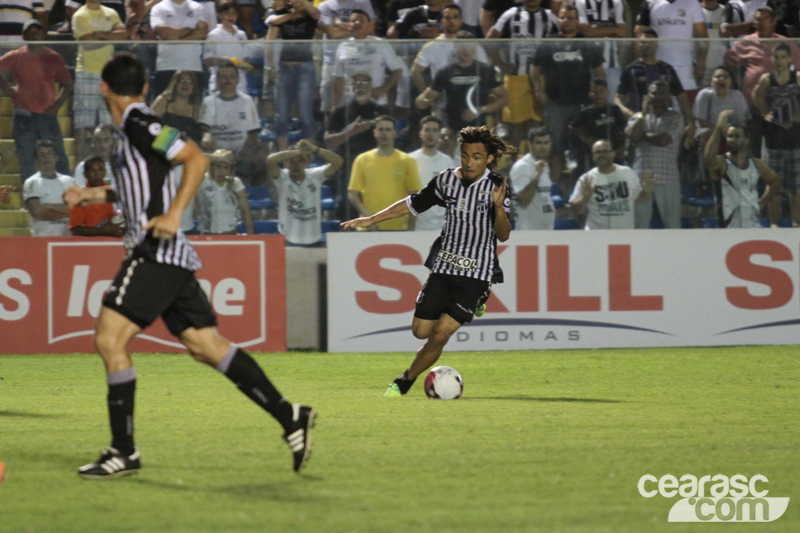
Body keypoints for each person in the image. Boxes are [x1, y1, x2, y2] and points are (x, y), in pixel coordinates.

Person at [63, 52, 315, 479]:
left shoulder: (142, 124)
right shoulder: (131, 131)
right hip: (169, 255)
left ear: (103, 88)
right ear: (144, 87)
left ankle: (123, 451)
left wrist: (175, 213)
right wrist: (92, 195)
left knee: (109, 340)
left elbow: (195, 158)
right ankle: (290, 415)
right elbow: (140, 189)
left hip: (155, 251)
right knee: (206, 346)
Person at [341, 126, 511, 396]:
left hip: (476, 272)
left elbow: (503, 235)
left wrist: (499, 207)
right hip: (444, 267)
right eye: (465, 155)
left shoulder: (496, 186)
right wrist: (372, 219)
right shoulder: (446, 180)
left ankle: (403, 382)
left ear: (489, 158)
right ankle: (474, 304)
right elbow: (412, 203)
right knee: (421, 332)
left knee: (440, 334)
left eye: (477, 157)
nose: (469, 162)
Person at [530, 5, 605, 187]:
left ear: (577, 20)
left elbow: (598, 71)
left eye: (570, 18)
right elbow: (534, 67)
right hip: (556, 102)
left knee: (584, 146)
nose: (566, 21)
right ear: (558, 20)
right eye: (563, 17)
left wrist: (598, 92)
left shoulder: (586, 42)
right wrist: (538, 89)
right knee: (555, 147)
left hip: (583, 103)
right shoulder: (550, 41)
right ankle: (555, 187)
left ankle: (586, 186)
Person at [0, 19, 72, 180]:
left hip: (47, 115)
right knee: (26, 159)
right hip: (24, 115)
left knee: (59, 156)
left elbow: (67, 84)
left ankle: (66, 190)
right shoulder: (16, 56)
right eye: (30, 33)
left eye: (37, 32)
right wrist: (8, 90)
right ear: (24, 36)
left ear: (43, 34)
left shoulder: (53, 57)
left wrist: (58, 105)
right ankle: (31, 194)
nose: (34, 36)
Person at [484, 0, 559, 147]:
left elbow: (565, 36)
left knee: (537, 121)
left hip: (541, 77)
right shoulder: (512, 14)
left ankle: (536, 157)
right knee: (515, 123)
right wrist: (500, 63)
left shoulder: (549, 16)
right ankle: (513, 158)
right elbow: (490, 38)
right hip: (516, 76)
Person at [415, 32, 508, 133]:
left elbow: (505, 98)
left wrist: (481, 109)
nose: (465, 50)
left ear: (474, 48)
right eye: (461, 46)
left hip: (479, 128)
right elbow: (425, 99)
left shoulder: (486, 70)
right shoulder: (446, 72)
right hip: (452, 128)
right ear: (455, 48)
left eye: (469, 46)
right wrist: (422, 101)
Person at [625, 81, 687, 229]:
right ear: (648, 96)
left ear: (668, 96)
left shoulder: (676, 117)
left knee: (672, 225)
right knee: (640, 225)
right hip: (641, 177)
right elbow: (633, 136)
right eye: (654, 93)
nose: (658, 97)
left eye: (662, 93)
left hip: (668, 176)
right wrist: (643, 113)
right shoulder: (638, 116)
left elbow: (662, 140)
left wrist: (643, 136)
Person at [71, 0, 126, 160]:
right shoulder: (80, 15)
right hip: (86, 73)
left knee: (110, 125)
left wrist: (99, 34)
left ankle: (111, 164)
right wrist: (110, 36)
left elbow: (123, 35)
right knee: (83, 125)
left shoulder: (111, 13)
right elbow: (88, 44)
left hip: (109, 76)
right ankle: (80, 166)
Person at [704, 109, 779, 227]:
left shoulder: (756, 164)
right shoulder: (722, 163)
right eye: (730, 136)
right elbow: (709, 157)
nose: (732, 139)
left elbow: (775, 181)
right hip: (729, 229)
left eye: (737, 136)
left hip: (753, 227)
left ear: (746, 140)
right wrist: (718, 128)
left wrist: (762, 202)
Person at [752, 41, 800, 225]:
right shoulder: (767, 79)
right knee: (775, 187)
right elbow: (756, 94)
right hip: (773, 140)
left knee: (796, 188)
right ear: (771, 59)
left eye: (783, 57)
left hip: (795, 140)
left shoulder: (797, 77)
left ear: (789, 59)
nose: (779, 61)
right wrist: (765, 113)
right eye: (776, 57)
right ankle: (774, 225)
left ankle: (796, 225)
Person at [348, 115, 422, 229]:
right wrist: (368, 218)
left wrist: (411, 227)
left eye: (388, 130)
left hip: (398, 227)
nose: (384, 133)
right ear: (375, 132)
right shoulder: (362, 160)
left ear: (394, 133)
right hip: (368, 229)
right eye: (381, 129)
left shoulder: (407, 161)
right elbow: (353, 193)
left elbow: (414, 196)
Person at [615, 28, 695, 133]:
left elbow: (681, 96)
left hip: (665, 123)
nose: (646, 45)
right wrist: (630, 114)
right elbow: (617, 99)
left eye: (650, 42)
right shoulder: (630, 70)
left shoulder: (667, 69)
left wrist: (690, 121)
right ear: (638, 45)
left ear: (657, 45)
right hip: (640, 120)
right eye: (642, 42)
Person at [265, 0, 320, 151]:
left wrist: (302, 4)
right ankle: (282, 155)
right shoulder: (282, 16)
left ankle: (308, 155)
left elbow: (315, 14)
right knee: (281, 115)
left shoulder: (310, 17)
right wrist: (270, 66)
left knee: (305, 113)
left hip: (305, 67)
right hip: (284, 67)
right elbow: (270, 38)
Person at [199, 61, 266, 184]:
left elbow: (254, 133)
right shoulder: (209, 101)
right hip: (216, 152)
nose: (227, 80)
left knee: (261, 156)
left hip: (243, 152)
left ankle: (255, 192)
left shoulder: (247, 101)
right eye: (224, 76)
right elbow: (204, 128)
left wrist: (244, 150)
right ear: (217, 80)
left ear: (237, 80)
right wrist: (207, 137)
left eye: (231, 76)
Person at [267, 139, 344, 245]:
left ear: (306, 163)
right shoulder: (281, 178)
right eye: (292, 161)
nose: (296, 165)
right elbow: (270, 160)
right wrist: (300, 152)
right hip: (287, 239)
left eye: (300, 161)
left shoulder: (315, 175)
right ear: (286, 164)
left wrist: (314, 149)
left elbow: (338, 161)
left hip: (314, 239)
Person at [569, 140, 655, 230]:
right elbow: (575, 210)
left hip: (624, 233)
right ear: (593, 156)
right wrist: (584, 198)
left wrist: (647, 192)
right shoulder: (586, 178)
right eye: (597, 152)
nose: (602, 154)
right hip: (596, 233)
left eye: (605, 151)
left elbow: (640, 198)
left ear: (613, 154)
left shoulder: (627, 172)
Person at [634, 0, 708, 100]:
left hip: (685, 66)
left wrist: (701, 61)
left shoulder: (692, 2)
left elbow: (702, 35)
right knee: (656, 100)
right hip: (657, 65)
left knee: (686, 102)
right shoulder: (650, 2)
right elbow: (639, 34)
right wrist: (640, 62)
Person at [331, 10, 404, 110]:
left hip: (376, 102)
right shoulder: (342, 46)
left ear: (369, 25)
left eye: (361, 21)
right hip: (350, 103)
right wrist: (336, 100)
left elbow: (398, 70)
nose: (357, 23)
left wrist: (383, 89)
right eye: (354, 21)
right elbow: (338, 77)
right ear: (349, 25)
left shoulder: (381, 44)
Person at [149, 0, 209, 98]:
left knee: (194, 107)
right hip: (166, 68)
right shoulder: (158, 8)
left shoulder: (198, 7)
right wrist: (191, 30)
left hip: (193, 67)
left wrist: (174, 37)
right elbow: (164, 34)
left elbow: (202, 33)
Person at [570, 78, 627, 174]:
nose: (598, 95)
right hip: (595, 155)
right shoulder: (586, 112)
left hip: (614, 152)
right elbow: (573, 127)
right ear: (590, 94)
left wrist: (622, 147)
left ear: (607, 92)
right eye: (595, 92)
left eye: (601, 91)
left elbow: (623, 128)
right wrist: (587, 139)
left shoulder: (614, 109)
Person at [22, 140, 75, 237]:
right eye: (42, 155)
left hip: (67, 238)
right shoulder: (31, 182)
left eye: (50, 153)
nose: (46, 157)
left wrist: (49, 208)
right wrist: (66, 211)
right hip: (42, 239)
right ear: (36, 160)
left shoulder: (69, 181)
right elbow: (38, 212)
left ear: (56, 157)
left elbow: (76, 210)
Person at [409, 116, 453, 232]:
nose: (430, 134)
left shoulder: (447, 161)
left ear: (439, 134)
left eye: (434, 130)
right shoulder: (410, 160)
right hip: (417, 227)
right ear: (420, 134)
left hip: (442, 227)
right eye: (427, 130)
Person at [195, 149, 254, 234]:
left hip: (230, 233)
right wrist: (216, 157)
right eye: (218, 166)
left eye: (226, 168)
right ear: (212, 166)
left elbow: (245, 210)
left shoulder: (235, 183)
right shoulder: (203, 180)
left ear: (230, 170)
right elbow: (194, 158)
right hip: (207, 234)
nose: (221, 171)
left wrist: (250, 234)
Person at [510, 127, 556, 230]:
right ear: (530, 144)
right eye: (538, 143)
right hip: (528, 231)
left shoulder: (544, 165)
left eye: (546, 143)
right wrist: (537, 175)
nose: (543, 147)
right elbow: (523, 199)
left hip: (547, 230)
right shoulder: (522, 166)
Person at [204, 0, 252, 94]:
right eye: (227, 13)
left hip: (240, 86)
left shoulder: (242, 35)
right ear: (219, 15)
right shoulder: (213, 35)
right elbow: (207, 60)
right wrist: (229, 60)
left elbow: (246, 59)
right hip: (219, 86)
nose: (231, 16)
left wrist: (246, 65)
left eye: (234, 13)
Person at [69, 156, 125, 237]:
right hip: (90, 244)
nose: (97, 174)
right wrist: (104, 231)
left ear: (105, 172)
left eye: (100, 170)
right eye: (92, 171)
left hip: (115, 243)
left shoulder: (116, 193)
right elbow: (75, 229)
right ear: (85, 174)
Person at [151, 70, 205, 145]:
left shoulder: (197, 107)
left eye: (190, 81)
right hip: (162, 145)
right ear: (174, 84)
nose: (185, 84)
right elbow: (150, 124)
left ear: (193, 88)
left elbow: (201, 132)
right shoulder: (163, 100)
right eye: (181, 80)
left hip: (187, 148)